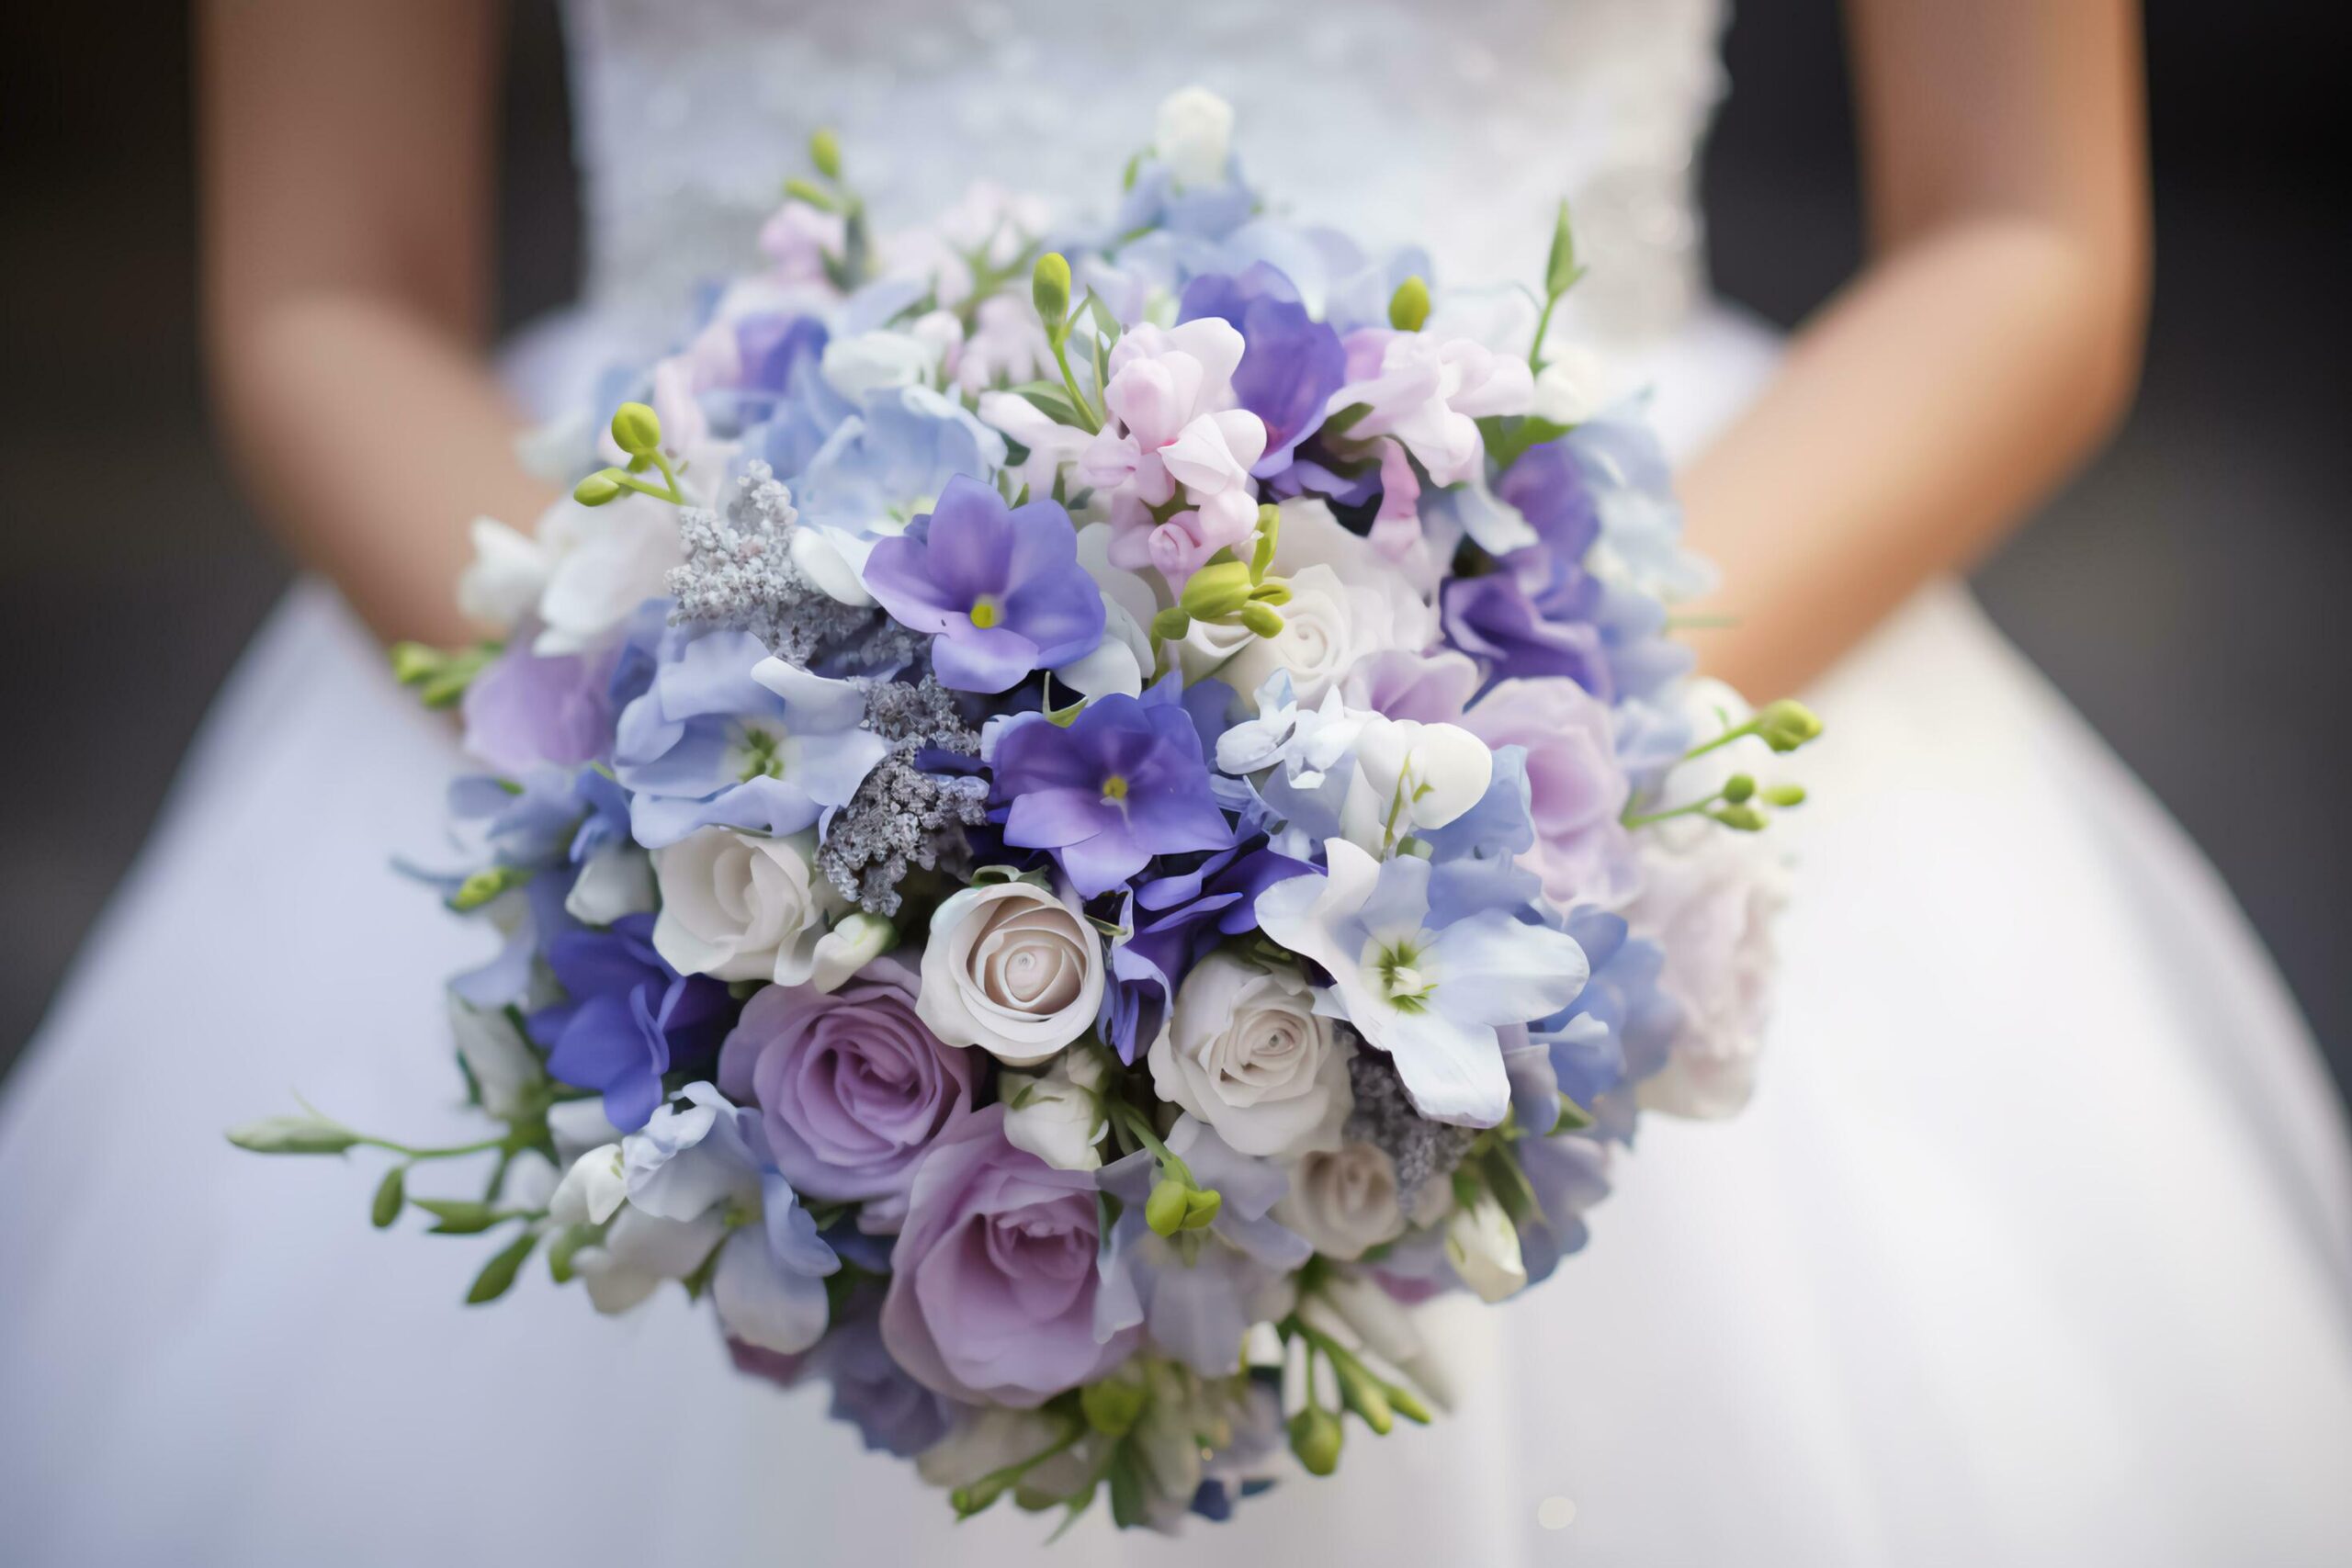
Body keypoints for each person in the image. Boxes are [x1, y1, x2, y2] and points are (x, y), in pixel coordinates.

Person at [3, 1, 2346, 1562]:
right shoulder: (716, 698)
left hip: (1598, 629)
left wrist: (1477, 762)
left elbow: (2027, 233)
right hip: (695, 613)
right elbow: (323, 281)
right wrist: (745, 760)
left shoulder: (1521, 730)